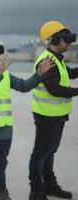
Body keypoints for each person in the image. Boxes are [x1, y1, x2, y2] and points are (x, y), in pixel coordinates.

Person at [0, 36, 54, 200]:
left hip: (5, 131)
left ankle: (2, 194)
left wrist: (39, 74)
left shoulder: (5, 74)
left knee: (1, 166)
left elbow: (24, 86)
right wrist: (0, 73)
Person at [29, 20, 78, 200]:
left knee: (49, 152)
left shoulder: (56, 59)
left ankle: (49, 185)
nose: (69, 42)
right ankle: (36, 191)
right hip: (47, 116)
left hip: (56, 115)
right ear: (54, 39)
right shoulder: (47, 61)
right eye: (66, 38)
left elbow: (67, 74)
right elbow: (55, 89)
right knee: (40, 154)